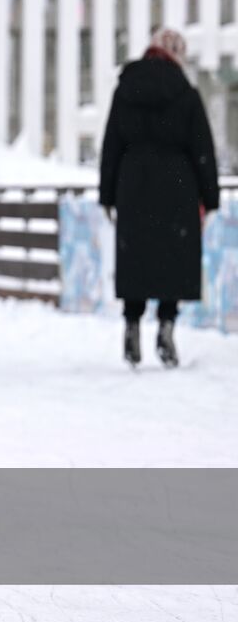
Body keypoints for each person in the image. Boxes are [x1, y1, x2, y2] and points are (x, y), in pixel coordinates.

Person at [99, 28, 220, 368]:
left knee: (135, 258)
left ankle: (132, 325)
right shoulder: (186, 92)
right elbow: (202, 149)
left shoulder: (126, 88)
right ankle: (167, 327)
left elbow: (112, 144)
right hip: (176, 186)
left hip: (133, 184)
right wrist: (210, 198)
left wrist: (107, 194)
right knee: (172, 258)